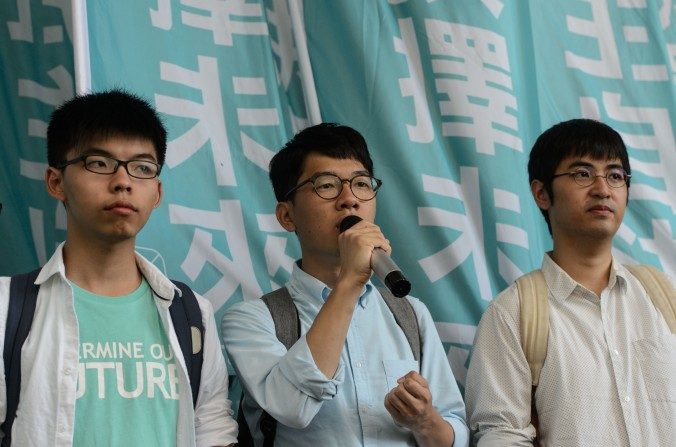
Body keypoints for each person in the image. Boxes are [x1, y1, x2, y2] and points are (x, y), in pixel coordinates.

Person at [0, 90, 237, 446]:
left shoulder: (190, 311)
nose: (123, 181)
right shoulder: (6, 308)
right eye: (99, 163)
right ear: (55, 181)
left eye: (142, 167)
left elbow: (212, 429)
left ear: (156, 193)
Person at [222, 123, 468, 446]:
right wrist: (350, 281)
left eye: (362, 184)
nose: (349, 199)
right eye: (326, 185)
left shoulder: (410, 315)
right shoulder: (252, 320)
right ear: (287, 216)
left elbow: (456, 431)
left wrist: (424, 421)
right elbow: (291, 407)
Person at [465, 118, 674, 446]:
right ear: (541, 193)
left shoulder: (663, 295)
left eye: (615, 175)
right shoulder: (512, 314)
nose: (603, 189)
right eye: (583, 174)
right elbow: (502, 437)